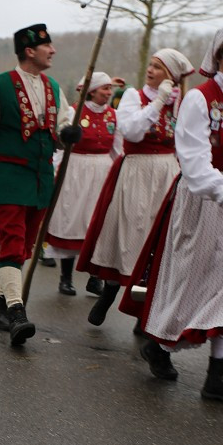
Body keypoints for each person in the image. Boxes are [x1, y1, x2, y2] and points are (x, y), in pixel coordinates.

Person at [0, 24, 77, 345]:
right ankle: (16, 313)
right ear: (29, 50)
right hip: (8, 175)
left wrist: (68, 135)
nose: (53, 51)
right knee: (11, 242)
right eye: (47, 46)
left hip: (40, 178)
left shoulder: (54, 88)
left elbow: (62, 127)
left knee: (24, 248)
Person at [121, 30, 223, 399]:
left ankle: (217, 374)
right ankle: (159, 343)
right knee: (189, 281)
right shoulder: (200, 99)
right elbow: (195, 164)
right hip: (203, 201)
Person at [77, 48, 193, 326]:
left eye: (157, 67)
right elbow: (130, 131)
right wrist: (158, 102)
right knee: (130, 232)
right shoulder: (133, 96)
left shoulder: (183, 103)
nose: (150, 70)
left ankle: (144, 312)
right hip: (137, 170)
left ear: (171, 76)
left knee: (158, 240)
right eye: (150, 65)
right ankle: (110, 291)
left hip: (167, 172)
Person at [45, 71, 119, 297]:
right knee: (72, 221)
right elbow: (61, 146)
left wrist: (120, 174)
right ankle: (65, 279)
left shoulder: (115, 116)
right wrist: (54, 174)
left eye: (109, 89)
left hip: (102, 170)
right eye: (104, 88)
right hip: (75, 170)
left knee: (97, 224)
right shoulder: (73, 112)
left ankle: (94, 278)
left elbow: (119, 150)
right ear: (92, 90)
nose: (108, 93)